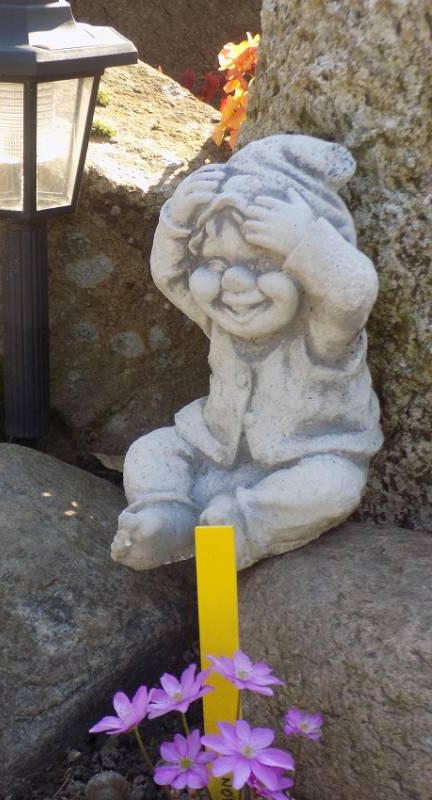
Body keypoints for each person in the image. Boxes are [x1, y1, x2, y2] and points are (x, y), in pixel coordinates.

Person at [111, 135, 383, 571]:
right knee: (151, 450)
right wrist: (176, 221)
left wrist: (306, 241)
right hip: (217, 448)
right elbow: (171, 276)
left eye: (262, 266)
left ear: (307, 276)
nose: (233, 283)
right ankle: (167, 516)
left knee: (334, 486)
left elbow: (352, 295)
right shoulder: (222, 320)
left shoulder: (320, 333)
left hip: (306, 457)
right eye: (215, 265)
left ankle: (236, 527)